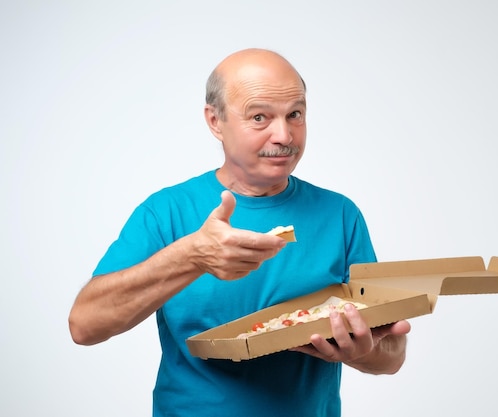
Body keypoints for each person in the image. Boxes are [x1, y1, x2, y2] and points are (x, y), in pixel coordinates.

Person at [68, 48, 411, 417]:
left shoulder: (340, 214)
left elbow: (392, 354)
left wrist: (364, 351)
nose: (284, 135)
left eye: (295, 114)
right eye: (260, 117)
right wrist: (193, 255)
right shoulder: (166, 211)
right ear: (215, 121)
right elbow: (85, 325)